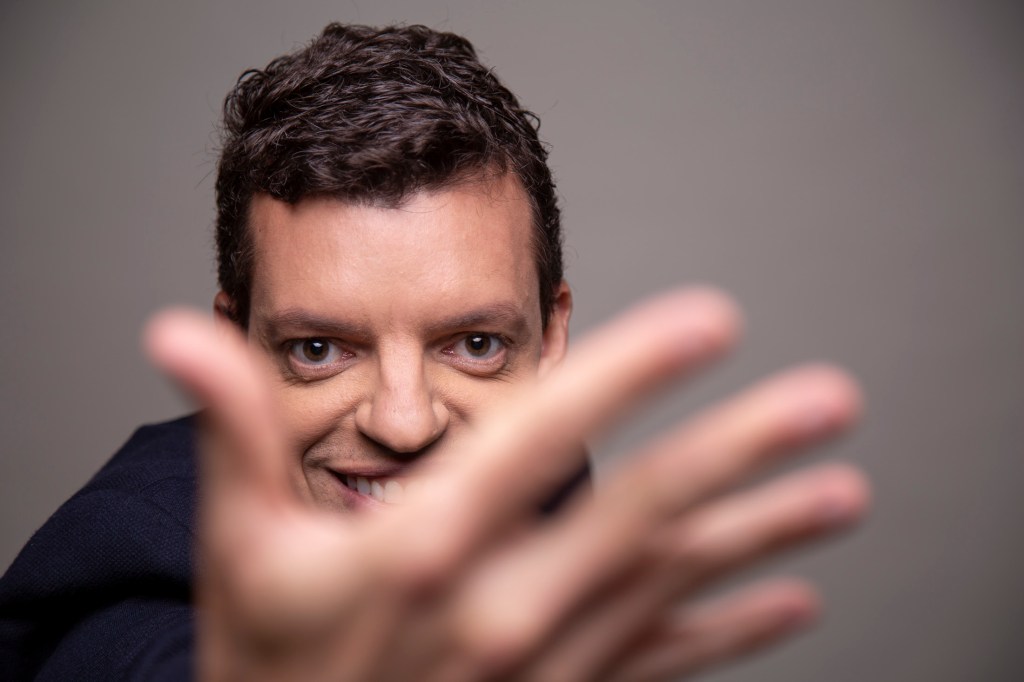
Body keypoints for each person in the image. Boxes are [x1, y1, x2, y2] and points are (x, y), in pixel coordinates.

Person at [0, 23, 868, 681]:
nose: (407, 424)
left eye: (476, 344)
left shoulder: (538, 472)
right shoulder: (129, 572)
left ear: (550, 337)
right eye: (318, 349)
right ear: (237, 352)